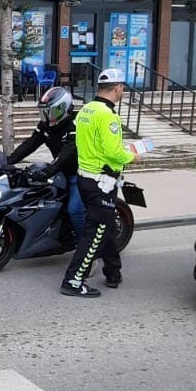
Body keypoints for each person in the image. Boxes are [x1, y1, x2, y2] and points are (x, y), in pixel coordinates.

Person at [60, 68, 135, 298]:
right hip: (102, 182)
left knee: (107, 226)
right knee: (93, 233)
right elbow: (113, 152)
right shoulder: (108, 115)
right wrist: (132, 155)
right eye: (122, 88)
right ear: (118, 88)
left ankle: (113, 271)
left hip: (85, 177)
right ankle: (73, 280)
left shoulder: (86, 110)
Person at [7, 86, 83, 239]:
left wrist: (47, 172)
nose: (47, 117)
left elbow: (66, 154)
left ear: (63, 108)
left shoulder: (75, 125)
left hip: (79, 174)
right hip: (59, 173)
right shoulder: (46, 126)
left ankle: (86, 245)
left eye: (50, 112)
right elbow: (30, 144)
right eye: (44, 112)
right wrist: (7, 162)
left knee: (75, 209)